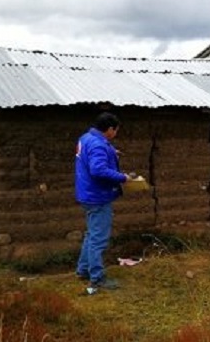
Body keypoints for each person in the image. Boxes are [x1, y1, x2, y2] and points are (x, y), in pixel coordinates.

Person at [75, 112, 130, 295]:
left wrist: (111, 153)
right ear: (110, 129)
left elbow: (93, 155)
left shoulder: (87, 138)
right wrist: (123, 177)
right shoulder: (99, 145)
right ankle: (97, 278)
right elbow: (98, 170)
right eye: (115, 131)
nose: (116, 134)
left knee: (91, 235)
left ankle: (82, 270)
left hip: (86, 194)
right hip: (97, 196)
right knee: (98, 239)